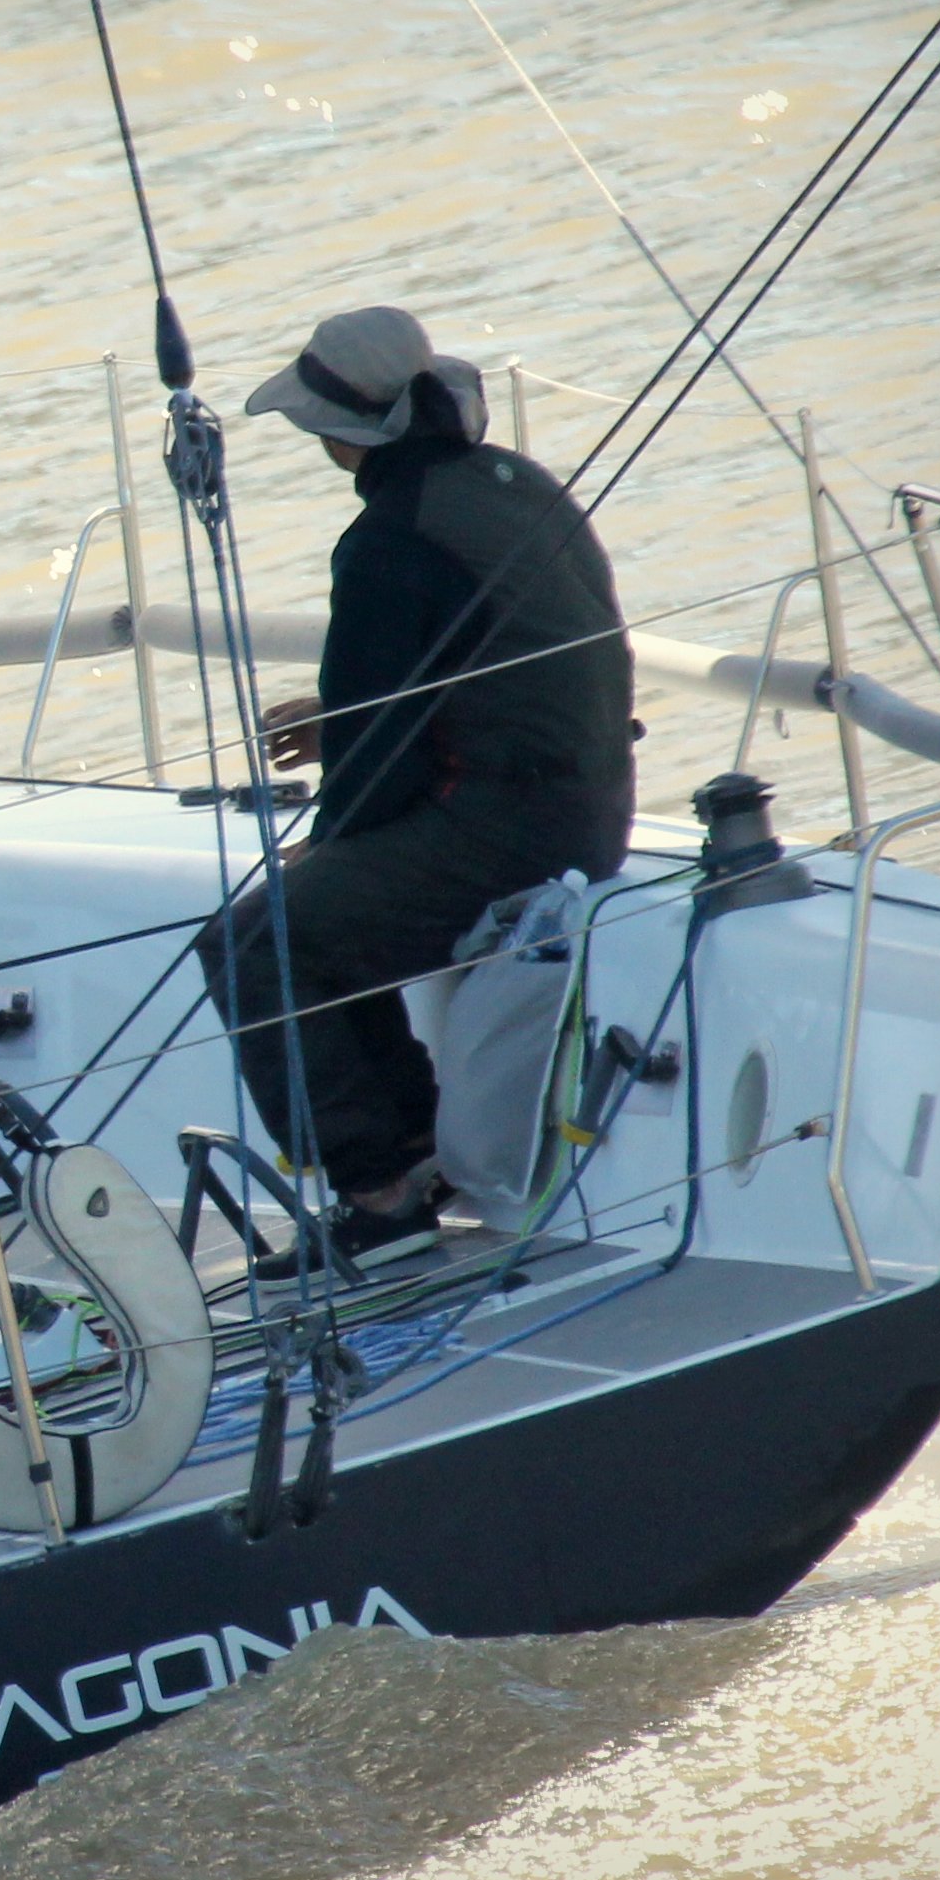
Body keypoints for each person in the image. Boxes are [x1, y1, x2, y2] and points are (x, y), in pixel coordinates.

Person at [208, 304, 638, 1260]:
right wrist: (338, 733)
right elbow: (471, 677)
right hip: (594, 802)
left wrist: (328, 838)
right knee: (316, 911)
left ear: (338, 434)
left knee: (255, 942)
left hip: (512, 828)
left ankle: (377, 1195)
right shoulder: (515, 483)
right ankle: (409, 1152)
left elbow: (377, 758)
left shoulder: (386, 538)